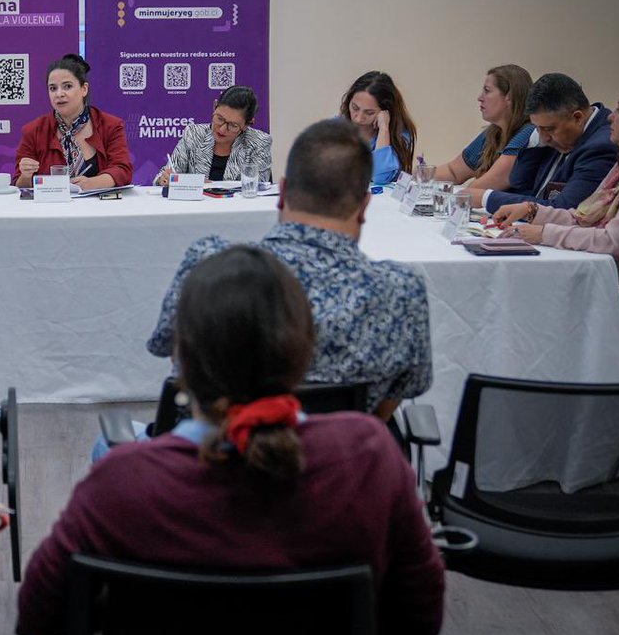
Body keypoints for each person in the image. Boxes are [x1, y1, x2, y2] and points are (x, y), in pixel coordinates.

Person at [17, 245, 444, 635]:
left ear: (181, 356)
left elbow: (39, 614)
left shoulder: (123, 479)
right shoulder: (369, 458)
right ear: (303, 353)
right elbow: (418, 619)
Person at [148, 119, 432, 419]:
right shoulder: (402, 289)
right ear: (364, 206)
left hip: (218, 457)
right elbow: (390, 404)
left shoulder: (207, 264)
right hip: (343, 460)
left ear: (282, 191)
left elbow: (169, 349)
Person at [494, 74, 619, 336]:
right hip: (616, 284)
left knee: (547, 316)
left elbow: (613, 242)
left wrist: (543, 233)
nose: (611, 116)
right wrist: (534, 212)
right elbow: (583, 216)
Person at [481, 72, 618, 213]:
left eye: (548, 129)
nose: (544, 137)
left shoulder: (601, 146)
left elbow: (564, 209)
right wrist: (534, 142)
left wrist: (486, 197)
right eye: (537, 128)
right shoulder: (554, 136)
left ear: (577, 117)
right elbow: (519, 183)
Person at [14, 54, 133, 191]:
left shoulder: (111, 125)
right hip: (49, 210)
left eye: (67, 86)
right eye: (53, 88)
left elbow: (123, 170)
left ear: (84, 89)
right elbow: (19, 185)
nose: (59, 94)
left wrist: (93, 183)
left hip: (99, 209)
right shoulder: (33, 130)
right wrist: (26, 175)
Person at [434, 65, 535, 206]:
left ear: (509, 97)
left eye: (487, 91)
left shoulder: (529, 133)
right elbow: (453, 172)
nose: (479, 98)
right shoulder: (493, 132)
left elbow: (478, 189)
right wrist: (417, 178)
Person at [153, 85, 272, 185]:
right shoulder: (194, 134)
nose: (222, 129)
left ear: (247, 124)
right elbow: (165, 174)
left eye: (233, 125)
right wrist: (163, 179)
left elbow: (257, 187)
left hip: (238, 211)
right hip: (194, 210)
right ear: (214, 106)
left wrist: (210, 187)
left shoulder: (259, 142)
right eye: (219, 118)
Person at [339, 70, 417, 184]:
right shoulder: (336, 126)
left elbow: (380, 178)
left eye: (369, 113)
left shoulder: (400, 134)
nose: (358, 118)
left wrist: (384, 129)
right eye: (355, 108)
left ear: (386, 111)